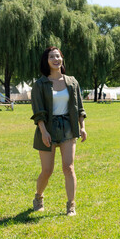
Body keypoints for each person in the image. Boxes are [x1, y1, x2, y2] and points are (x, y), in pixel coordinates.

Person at [30, 46, 87, 216]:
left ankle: (71, 205)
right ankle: (38, 197)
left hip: (68, 128)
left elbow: (79, 107)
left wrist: (82, 126)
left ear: (62, 59)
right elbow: (38, 111)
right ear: (46, 61)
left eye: (58, 56)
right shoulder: (40, 84)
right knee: (47, 170)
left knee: (68, 167)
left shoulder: (72, 82)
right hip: (47, 128)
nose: (56, 59)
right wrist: (43, 131)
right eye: (51, 57)